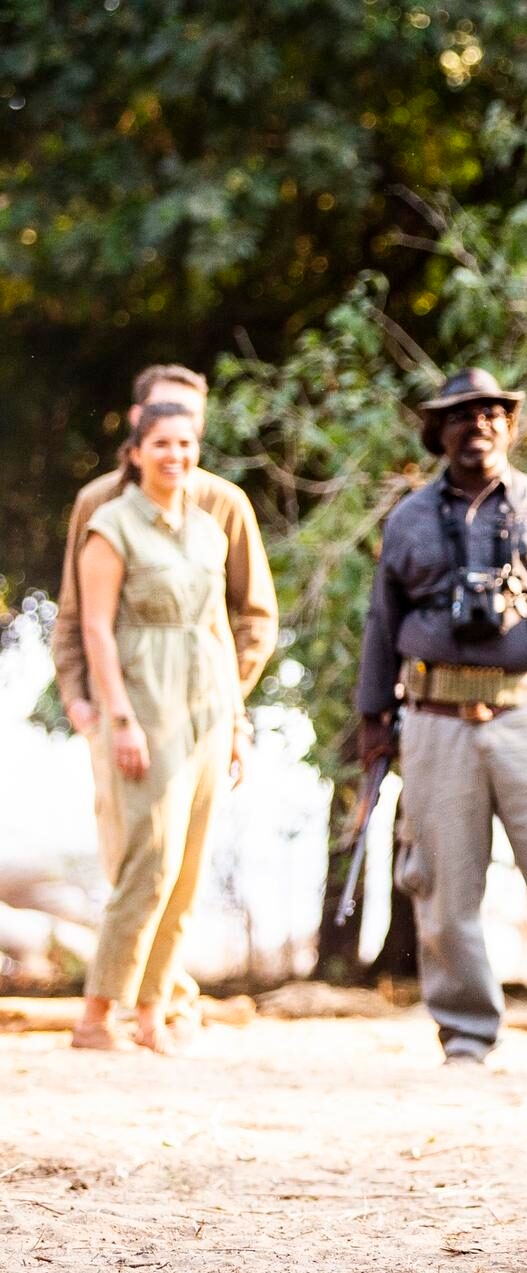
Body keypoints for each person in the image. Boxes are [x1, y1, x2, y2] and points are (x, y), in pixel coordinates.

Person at [357, 368, 527, 1069]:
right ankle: (466, 1035)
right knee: (442, 885)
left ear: (509, 425)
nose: (479, 425)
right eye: (462, 416)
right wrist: (374, 717)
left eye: (493, 414)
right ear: (438, 432)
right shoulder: (408, 519)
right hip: (435, 715)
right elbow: (382, 624)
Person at [53, 363, 278, 1031]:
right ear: (136, 440)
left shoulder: (216, 517)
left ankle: (154, 1011)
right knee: (144, 860)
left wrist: (236, 715)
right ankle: (99, 1012)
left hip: (208, 705)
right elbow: (85, 621)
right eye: (162, 440)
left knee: (186, 865)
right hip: (138, 703)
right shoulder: (105, 514)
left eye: (187, 440)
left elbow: (238, 618)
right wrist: (97, 709)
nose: (175, 453)